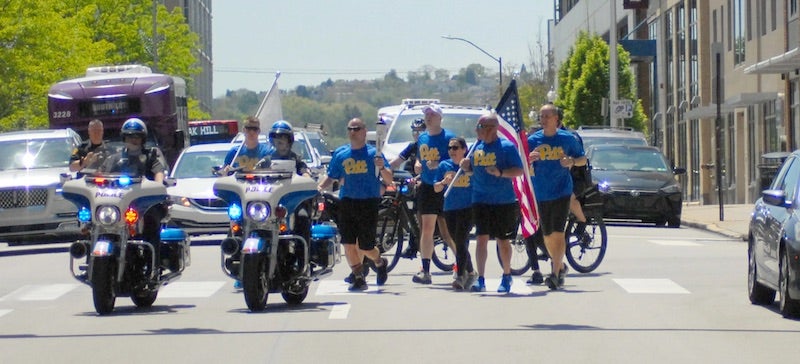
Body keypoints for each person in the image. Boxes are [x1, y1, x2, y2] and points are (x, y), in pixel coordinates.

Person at [317, 118, 392, 291]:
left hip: (368, 202)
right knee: (348, 243)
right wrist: (319, 187)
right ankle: (358, 276)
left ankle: (380, 262)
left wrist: (381, 167)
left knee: (366, 246)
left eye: (357, 129)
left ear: (364, 131)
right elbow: (332, 176)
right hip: (348, 201)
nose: (353, 132)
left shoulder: (374, 154)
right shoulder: (341, 154)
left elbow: (388, 179)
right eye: (350, 128)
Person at [458, 112, 524, 293]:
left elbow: (519, 170)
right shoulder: (476, 147)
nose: (477, 130)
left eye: (480, 127)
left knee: (503, 240)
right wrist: (467, 168)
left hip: (502, 200)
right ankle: (481, 279)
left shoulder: (506, 147)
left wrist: (501, 173)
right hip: (480, 198)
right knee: (481, 238)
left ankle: (507, 275)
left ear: (492, 129)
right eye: (477, 127)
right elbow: (473, 172)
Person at [527, 104, 587, 290]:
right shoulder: (532, 140)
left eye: (547, 116)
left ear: (556, 119)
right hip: (541, 192)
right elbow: (523, 164)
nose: (543, 119)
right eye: (541, 116)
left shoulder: (568, 139)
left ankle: (554, 275)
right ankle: (560, 267)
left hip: (561, 191)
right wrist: (529, 159)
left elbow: (582, 159)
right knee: (546, 235)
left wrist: (571, 161)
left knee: (558, 233)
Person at [101, 118, 169, 272]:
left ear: (143, 138)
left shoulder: (150, 155)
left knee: (152, 223)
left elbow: (159, 172)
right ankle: (97, 263)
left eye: (137, 136)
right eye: (130, 136)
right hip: (119, 202)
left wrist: (158, 185)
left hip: (145, 203)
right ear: (124, 138)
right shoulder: (115, 158)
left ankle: (154, 266)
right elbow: (103, 175)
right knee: (97, 223)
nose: (133, 139)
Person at [412, 104, 456, 284]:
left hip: (446, 187)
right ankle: (426, 269)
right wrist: (417, 163)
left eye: (432, 114)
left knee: (449, 232)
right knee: (427, 228)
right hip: (428, 187)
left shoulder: (449, 137)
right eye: (426, 115)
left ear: (440, 118)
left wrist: (438, 163)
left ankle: (464, 264)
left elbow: (457, 159)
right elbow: (419, 156)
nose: (428, 118)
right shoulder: (422, 138)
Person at [433, 137, 477, 290]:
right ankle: (471, 271)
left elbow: (478, 179)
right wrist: (444, 182)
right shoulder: (444, 165)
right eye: (450, 148)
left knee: (460, 238)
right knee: (457, 242)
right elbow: (436, 188)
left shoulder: (469, 165)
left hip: (468, 207)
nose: (452, 151)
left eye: (456, 147)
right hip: (450, 208)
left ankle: (460, 275)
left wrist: (468, 169)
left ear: (464, 149)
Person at [389, 118, 424, 258]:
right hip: (413, 183)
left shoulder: (429, 146)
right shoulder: (413, 146)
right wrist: (382, 168)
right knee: (408, 208)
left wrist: (418, 178)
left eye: (420, 131)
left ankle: (413, 245)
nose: (417, 134)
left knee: (418, 212)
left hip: (425, 182)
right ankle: (413, 242)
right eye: (414, 131)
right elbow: (397, 161)